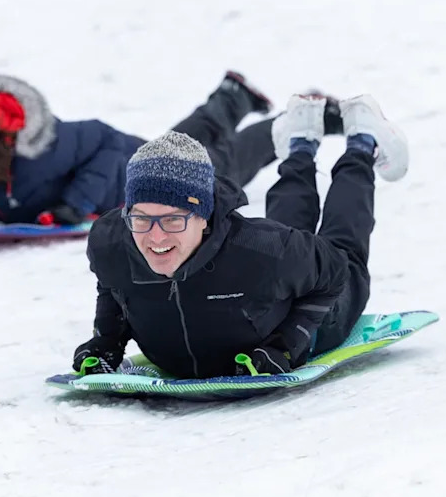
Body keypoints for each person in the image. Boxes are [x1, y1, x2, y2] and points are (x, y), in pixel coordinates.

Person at [72, 91, 410, 378]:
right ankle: (301, 142)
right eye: (142, 219)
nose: (156, 237)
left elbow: (333, 271)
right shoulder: (112, 242)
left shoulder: (258, 249)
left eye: (173, 220)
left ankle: (362, 143)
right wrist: (106, 343)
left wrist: (287, 344)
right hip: (280, 270)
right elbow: (114, 286)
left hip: (325, 306)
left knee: (340, 246)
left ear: (203, 216)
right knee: (289, 246)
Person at [0, 42, 279, 225]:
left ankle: (292, 125)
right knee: (187, 146)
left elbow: (104, 140)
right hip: (140, 167)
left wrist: (78, 203)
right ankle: (233, 97)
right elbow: (0, 191)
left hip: (143, 174)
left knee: (220, 173)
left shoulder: (38, 149)